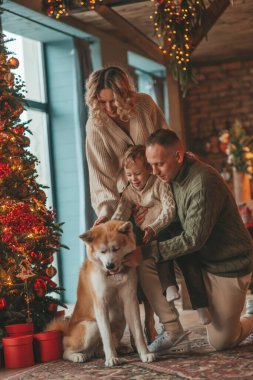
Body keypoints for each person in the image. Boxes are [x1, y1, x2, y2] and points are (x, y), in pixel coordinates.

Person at [124, 128, 253, 355]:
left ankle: (251, 315)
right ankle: (172, 328)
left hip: (228, 265)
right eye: (151, 164)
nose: (153, 171)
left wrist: (146, 250)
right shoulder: (169, 176)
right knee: (145, 261)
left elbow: (193, 239)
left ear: (179, 156)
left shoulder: (203, 183)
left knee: (221, 341)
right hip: (197, 261)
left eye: (159, 164)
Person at [112, 144, 212, 326]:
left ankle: (201, 305)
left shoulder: (158, 184)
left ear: (149, 170)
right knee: (157, 255)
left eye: (138, 174)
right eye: (129, 175)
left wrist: (153, 227)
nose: (133, 179)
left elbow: (170, 209)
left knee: (190, 262)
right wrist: (109, 228)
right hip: (152, 236)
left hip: (171, 229)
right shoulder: (128, 192)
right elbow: (121, 213)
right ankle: (169, 287)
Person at [85, 66, 169, 225]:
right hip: (128, 201)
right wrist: (105, 214)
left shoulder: (144, 104)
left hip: (161, 186)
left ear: (124, 95)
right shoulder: (95, 126)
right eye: (103, 102)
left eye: (114, 101)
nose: (109, 108)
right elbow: (101, 177)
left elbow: (166, 143)